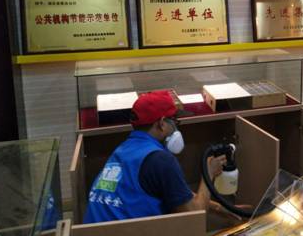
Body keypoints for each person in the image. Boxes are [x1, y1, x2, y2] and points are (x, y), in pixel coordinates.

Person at [83, 90, 227, 223]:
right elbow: (195, 216)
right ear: (162, 123)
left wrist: (222, 209)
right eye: (175, 121)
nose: (176, 128)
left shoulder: (122, 151)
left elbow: (178, 193)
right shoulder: (160, 160)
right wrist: (209, 173)